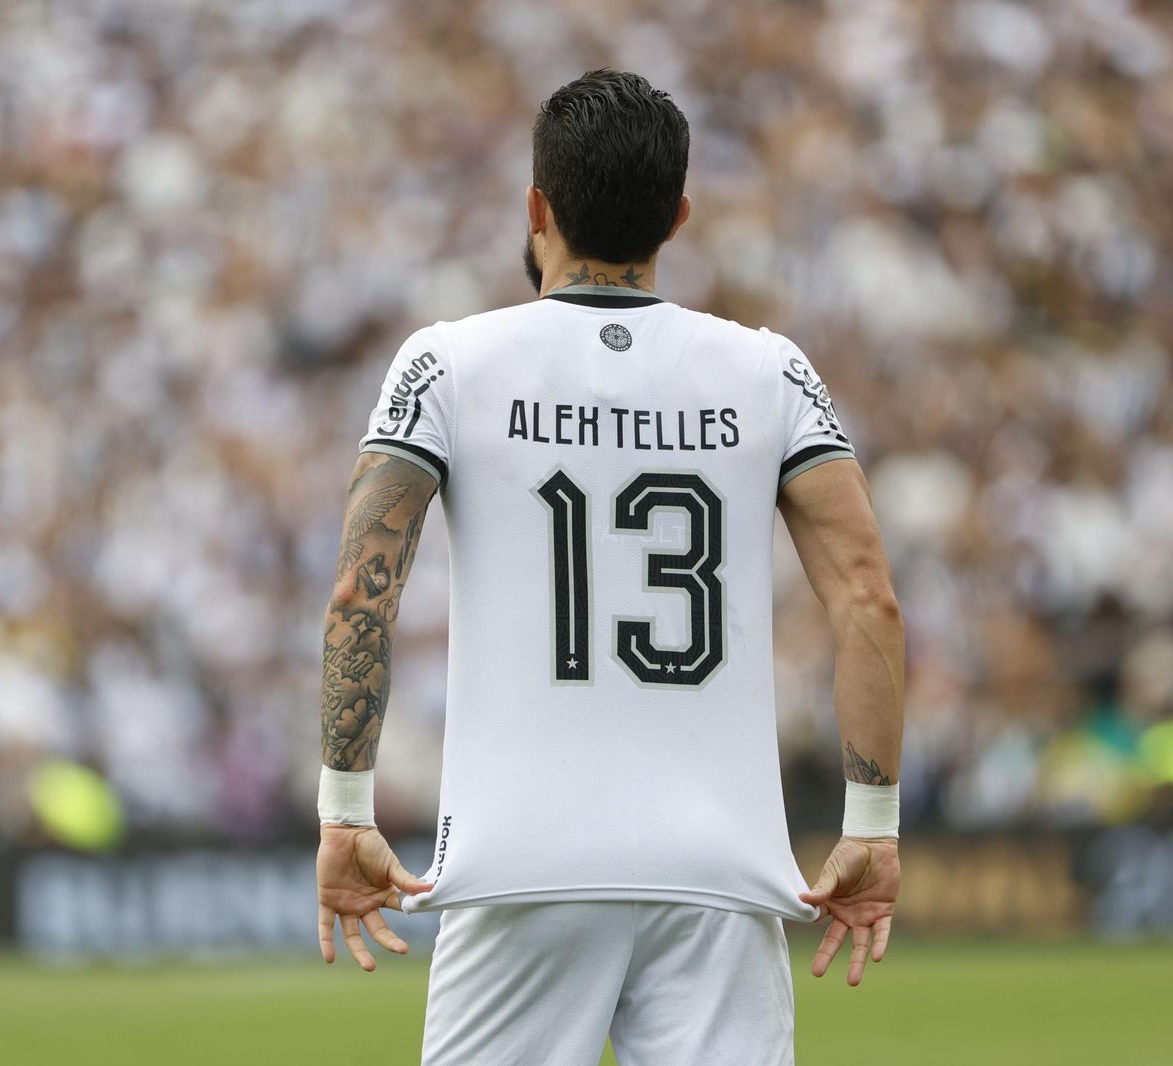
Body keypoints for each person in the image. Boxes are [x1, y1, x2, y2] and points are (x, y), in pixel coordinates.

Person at [312, 69, 906, 1066]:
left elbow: (359, 588)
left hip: (522, 863)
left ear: (536, 207)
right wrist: (873, 826)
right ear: (677, 218)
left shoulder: (445, 362)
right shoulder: (772, 371)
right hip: (717, 870)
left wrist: (344, 810)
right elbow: (868, 597)